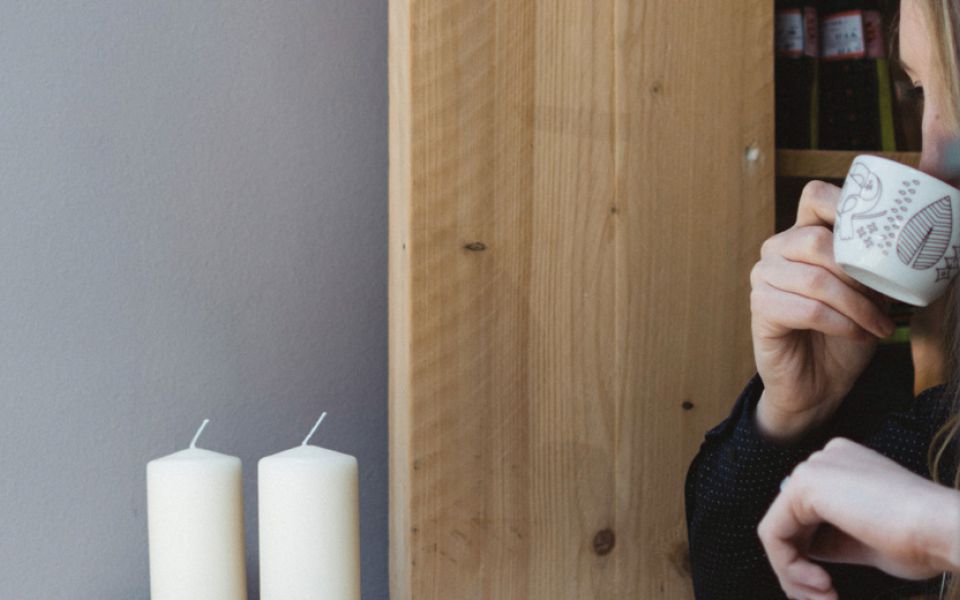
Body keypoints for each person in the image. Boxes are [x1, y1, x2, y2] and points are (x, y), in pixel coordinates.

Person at [685, 1, 960, 598]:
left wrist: (944, 526)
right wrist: (791, 415)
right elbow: (746, 585)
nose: (932, 165)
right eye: (920, 92)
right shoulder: (946, 428)